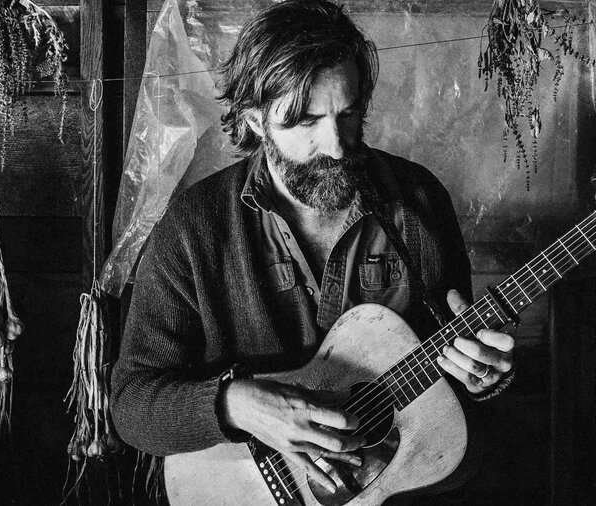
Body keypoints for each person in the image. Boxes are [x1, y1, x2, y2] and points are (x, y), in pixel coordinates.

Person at [111, 0, 516, 499]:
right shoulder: (194, 226)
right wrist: (240, 406)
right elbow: (131, 406)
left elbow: (450, 376)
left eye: (348, 115)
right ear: (256, 120)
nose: (337, 146)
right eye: (305, 121)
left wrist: (481, 376)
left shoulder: (418, 202)